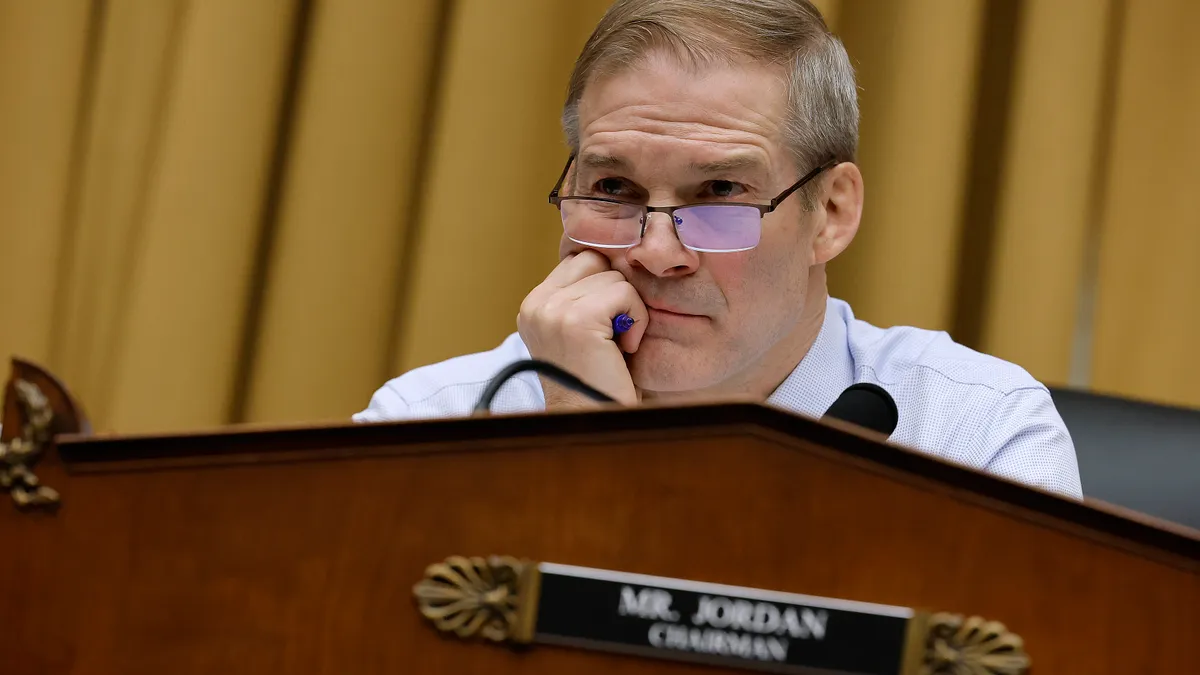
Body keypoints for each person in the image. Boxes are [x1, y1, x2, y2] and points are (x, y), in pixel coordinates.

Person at [354, 0, 1082, 498]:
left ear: (830, 212)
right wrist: (582, 445)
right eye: (614, 187)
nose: (658, 252)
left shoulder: (973, 434)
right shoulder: (429, 425)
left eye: (720, 193)